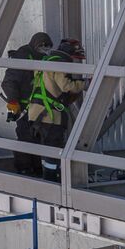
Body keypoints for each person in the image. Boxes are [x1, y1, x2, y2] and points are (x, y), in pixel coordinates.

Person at [27, 38, 87, 182]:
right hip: (50, 116)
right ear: (69, 54)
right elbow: (66, 86)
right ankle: (52, 181)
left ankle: (47, 178)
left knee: (45, 150)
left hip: (35, 113)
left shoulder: (45, 61)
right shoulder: (59, 64)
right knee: (53, 150)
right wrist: (84, 84)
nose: (75, 61)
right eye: (74, 58)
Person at [2, 32, 54, 176]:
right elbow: (8, 82)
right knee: (25, 138)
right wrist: (14, 102)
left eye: (48, 47)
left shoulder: (46, 58)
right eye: (43, 47)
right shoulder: (23, 56)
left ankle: (37, 171)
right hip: (24, 107)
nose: (46, 50)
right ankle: (24, 170)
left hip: (41, 108)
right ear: (36, 45)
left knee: (39, 140)